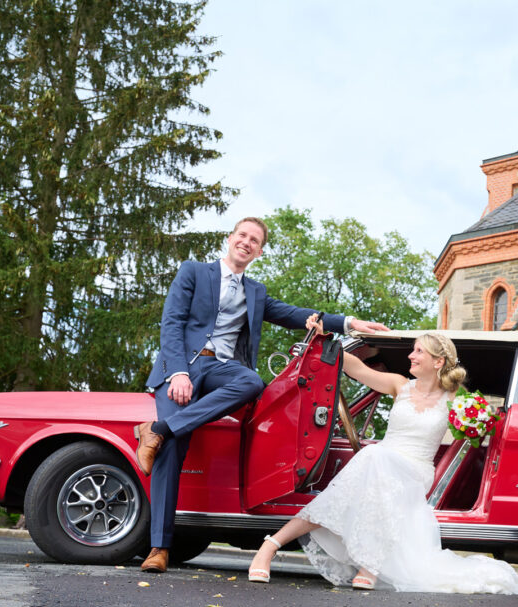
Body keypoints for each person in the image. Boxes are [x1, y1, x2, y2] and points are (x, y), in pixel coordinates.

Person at [134, 217, 388, 573]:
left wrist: (349, 324)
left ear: (259, 251)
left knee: (252, 382)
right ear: (230, 239)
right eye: (242, 235)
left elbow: (297, 315)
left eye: (254, 240)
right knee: (176, 446)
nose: (247, 242)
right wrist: (177, 372)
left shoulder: (255, 292)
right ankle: (159, 548)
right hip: (183, 367)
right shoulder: (194, 272)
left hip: (223, 370)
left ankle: (158, 430)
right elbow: (171, 323)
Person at [247, 332, 518, 595]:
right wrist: (327, 340)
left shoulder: (457, 399)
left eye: (419, 351)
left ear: (438, 362)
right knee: (369, 464)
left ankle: (366, 563)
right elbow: (355, 368)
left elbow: (483, 427)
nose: (411, 356)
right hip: (382, 460)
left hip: (416, 470)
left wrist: (476, 425)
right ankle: (270, 548)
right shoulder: (399, 385)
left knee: (372, 458)